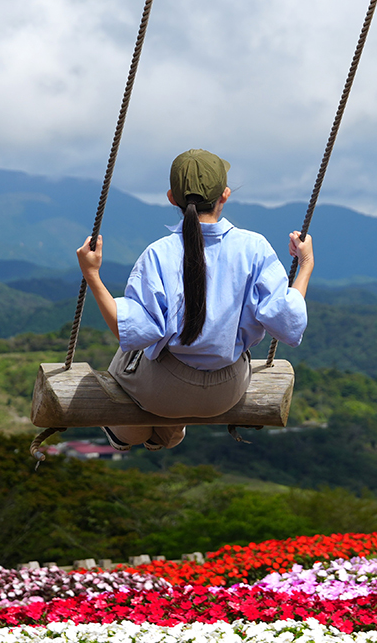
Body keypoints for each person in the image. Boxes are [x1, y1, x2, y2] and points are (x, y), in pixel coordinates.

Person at [76, 149, 313, 451]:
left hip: (162, 391)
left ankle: (129, 434)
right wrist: (305, 265)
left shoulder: (160, 253)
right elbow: (288, 325)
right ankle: (165, 434)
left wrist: (92, 275)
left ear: (171, 198)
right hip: (227, 391)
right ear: (225, 195)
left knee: (129, 355)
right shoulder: (255, 248)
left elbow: (129, 331)